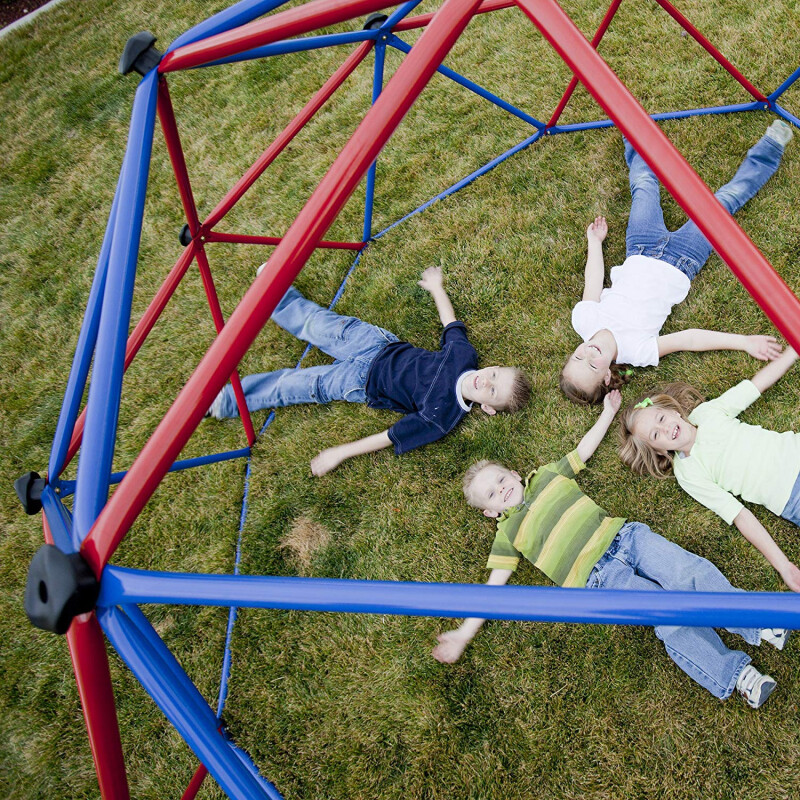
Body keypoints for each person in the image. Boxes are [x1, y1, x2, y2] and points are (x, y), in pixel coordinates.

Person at [432, 391, 787, 708]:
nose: (501, 490)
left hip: (626, 537)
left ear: (513, 472)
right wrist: (464, 634)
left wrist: (607, 412)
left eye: (500, 480)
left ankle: (757, 621)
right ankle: (738, 676)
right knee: (669, 619)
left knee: (688, 572)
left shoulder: (546, 476)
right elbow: (494, 587)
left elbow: (582, 451)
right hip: (599, 580)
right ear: (490, 512)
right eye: (492, 495)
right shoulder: (506, 534)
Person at [208, 266, 531, 475]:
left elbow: (389, 437)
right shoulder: (465, 357)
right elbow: (451, 324)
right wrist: (436, 288)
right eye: (494, 373)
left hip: (360, 383)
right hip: (373, 345)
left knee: (296, 385)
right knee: (316, 324)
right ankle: (276, 293)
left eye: (491, 389)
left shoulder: (441, 416)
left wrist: (339, 452)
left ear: (486, 408)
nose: (485, 379)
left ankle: (231, 401)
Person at [560, 120, 794, 405]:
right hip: (684, 259)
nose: (589, 353)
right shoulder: (637, 352)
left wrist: (594, 243)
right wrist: (744, 342)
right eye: (593, 365)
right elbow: (689, 340)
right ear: (607, 377)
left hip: (640, 246)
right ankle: (770, 148)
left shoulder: (584, 321)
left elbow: (593, 282)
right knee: (725, 202)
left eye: (578, 356)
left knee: (644, 185)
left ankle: (629, 126)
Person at [618, 345, 800, 592]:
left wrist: (793, 350)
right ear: (659, 451)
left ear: (672, 411)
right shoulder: (688, 474)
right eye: (656, 434)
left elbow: (755, 386)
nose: (665, 429)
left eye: (661, 419)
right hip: (790, 497)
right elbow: (741, 516)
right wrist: (784, 566)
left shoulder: (707, 413)